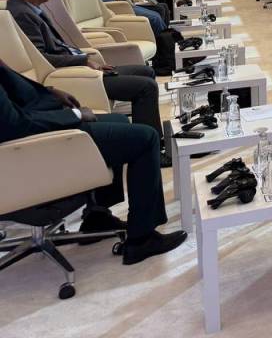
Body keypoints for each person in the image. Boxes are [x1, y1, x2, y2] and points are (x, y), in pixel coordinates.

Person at [0, 62, 187, 264]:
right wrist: (75, 115)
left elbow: (10, 84)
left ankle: (98, 216)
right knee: (146, 139)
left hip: (35, 127)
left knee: (120, 122)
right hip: (33, 147)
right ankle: (142, 239)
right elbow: (15, 126)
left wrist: (50, 91)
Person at [8, 0, 170, 164]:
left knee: (145, 72)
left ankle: (153, 139)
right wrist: (83, 60)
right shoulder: (22, 14)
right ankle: (154, 152)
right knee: (146, 87)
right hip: (73, 76)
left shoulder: (29, 8)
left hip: (80, 67)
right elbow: (42, 58)